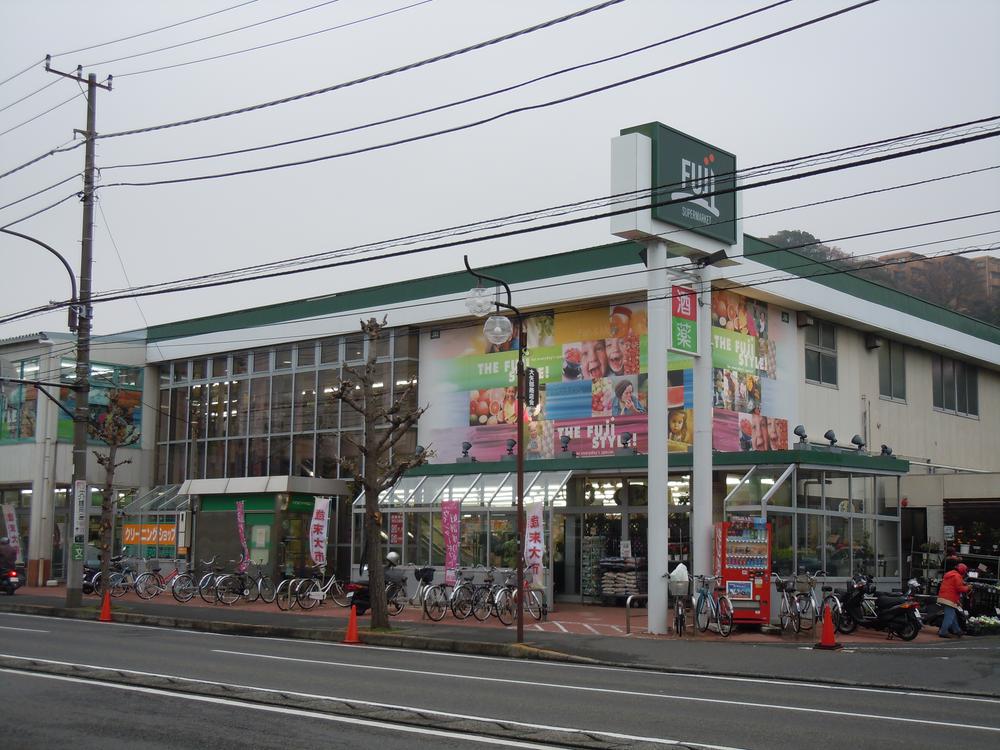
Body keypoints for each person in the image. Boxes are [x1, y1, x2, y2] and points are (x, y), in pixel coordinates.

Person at [937, 562, 970, 639]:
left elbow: (952, 588)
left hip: (943, 597)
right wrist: (968, 588)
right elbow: (959, 588)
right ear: (962, 571)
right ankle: (943, 632)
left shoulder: (949, 574)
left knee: (952, 615)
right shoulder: (957, 576)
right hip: (949, 599)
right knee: (949, 617)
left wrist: (957, 601)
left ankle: (957, 631)